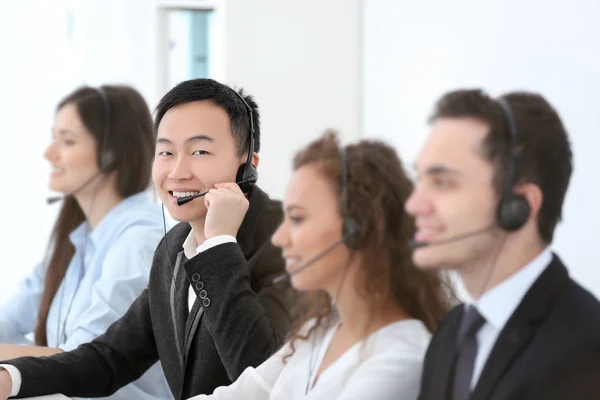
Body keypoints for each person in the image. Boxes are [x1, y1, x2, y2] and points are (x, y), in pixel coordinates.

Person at [0, 78, 296, 400]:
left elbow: (264, 377)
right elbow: (110, 359)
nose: (178, 172)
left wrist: (220, 244)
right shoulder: (172, 249)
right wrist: (10, 379)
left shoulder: (289, 242)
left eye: (200, 151)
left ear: (248, 165)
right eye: (166, 151)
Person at [188, 130, 456, 399]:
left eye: (297, 218)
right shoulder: (321, 331)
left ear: (358, 229)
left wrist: (220, 242)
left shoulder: (399, 362)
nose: (280, 239)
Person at [410, 89, 600, 400]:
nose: (414, 205)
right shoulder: (451, 333)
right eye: (420, 180)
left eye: (442, 182)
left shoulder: (582, 348)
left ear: (519, 205)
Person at [0, 85, 171, 399]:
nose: (49, 153)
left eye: (66, 141)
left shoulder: (140, 241)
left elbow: (81, 361)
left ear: (111, 154)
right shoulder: (76, 245)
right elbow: (8, 319)